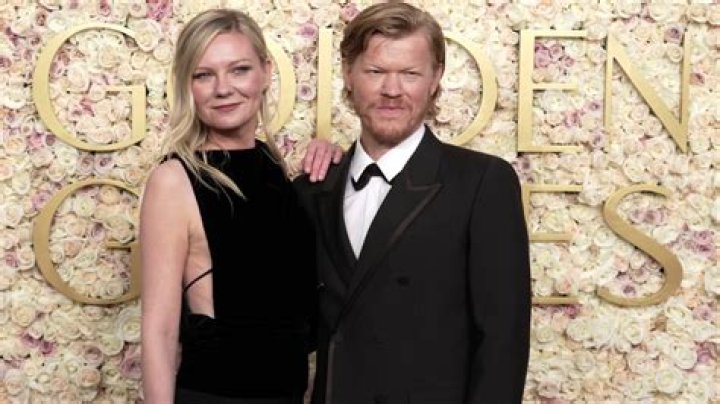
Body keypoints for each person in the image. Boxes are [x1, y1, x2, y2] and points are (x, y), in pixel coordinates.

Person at [294, 3, 531, 403]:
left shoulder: (481, 183)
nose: (392, 90)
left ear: (435, 79)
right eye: (375, 72)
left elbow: (502, 340)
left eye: (410, 73)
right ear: (348, 74)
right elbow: (289, 327)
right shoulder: (313, 189)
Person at [139, 9, 340, 403]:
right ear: (187, 85)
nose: (223, 89)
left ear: (265, 72)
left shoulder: (271, 165)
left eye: (239, 70)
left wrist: (337, 163)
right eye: (203, 75)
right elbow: (159, 330)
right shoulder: (174, 180)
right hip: (215, 395)